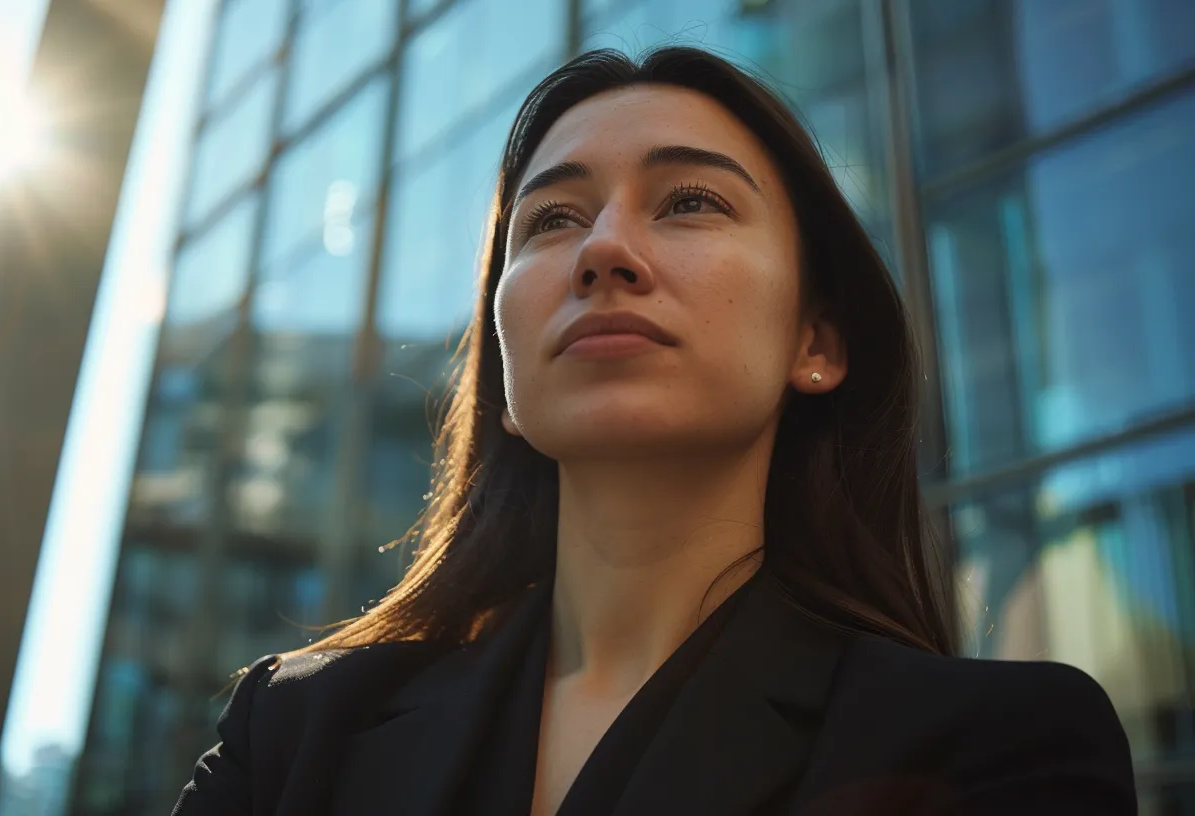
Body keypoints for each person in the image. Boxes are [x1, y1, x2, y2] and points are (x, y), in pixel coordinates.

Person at [171, 46, 1135, 815]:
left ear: (818, 341)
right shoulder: (291, 735)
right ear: (505, 379)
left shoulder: (997, 749)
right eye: (552, 220)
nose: (604, 251)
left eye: (690, 202)